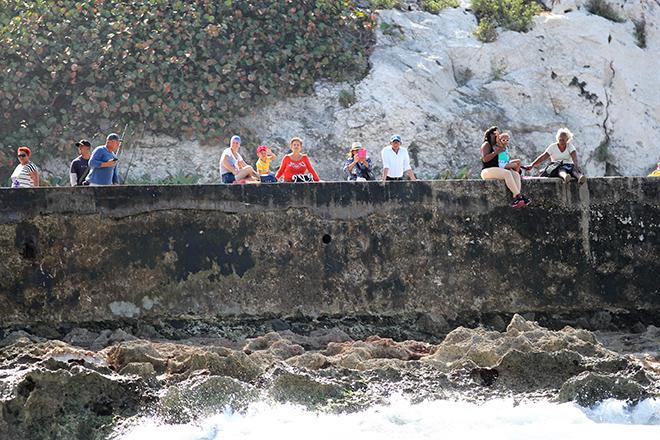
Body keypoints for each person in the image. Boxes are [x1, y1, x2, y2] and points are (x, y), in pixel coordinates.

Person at [479, 126, 529, 208]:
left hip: (497, 169)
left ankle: (516, 198)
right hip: (487, 171)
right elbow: (485, 159)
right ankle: (519, 196)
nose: (498, 135)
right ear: (492, 135)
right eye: (496, 134)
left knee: (516, 175)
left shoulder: (497, 145)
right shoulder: (486, 144)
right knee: (507, 173)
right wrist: (496, 152)